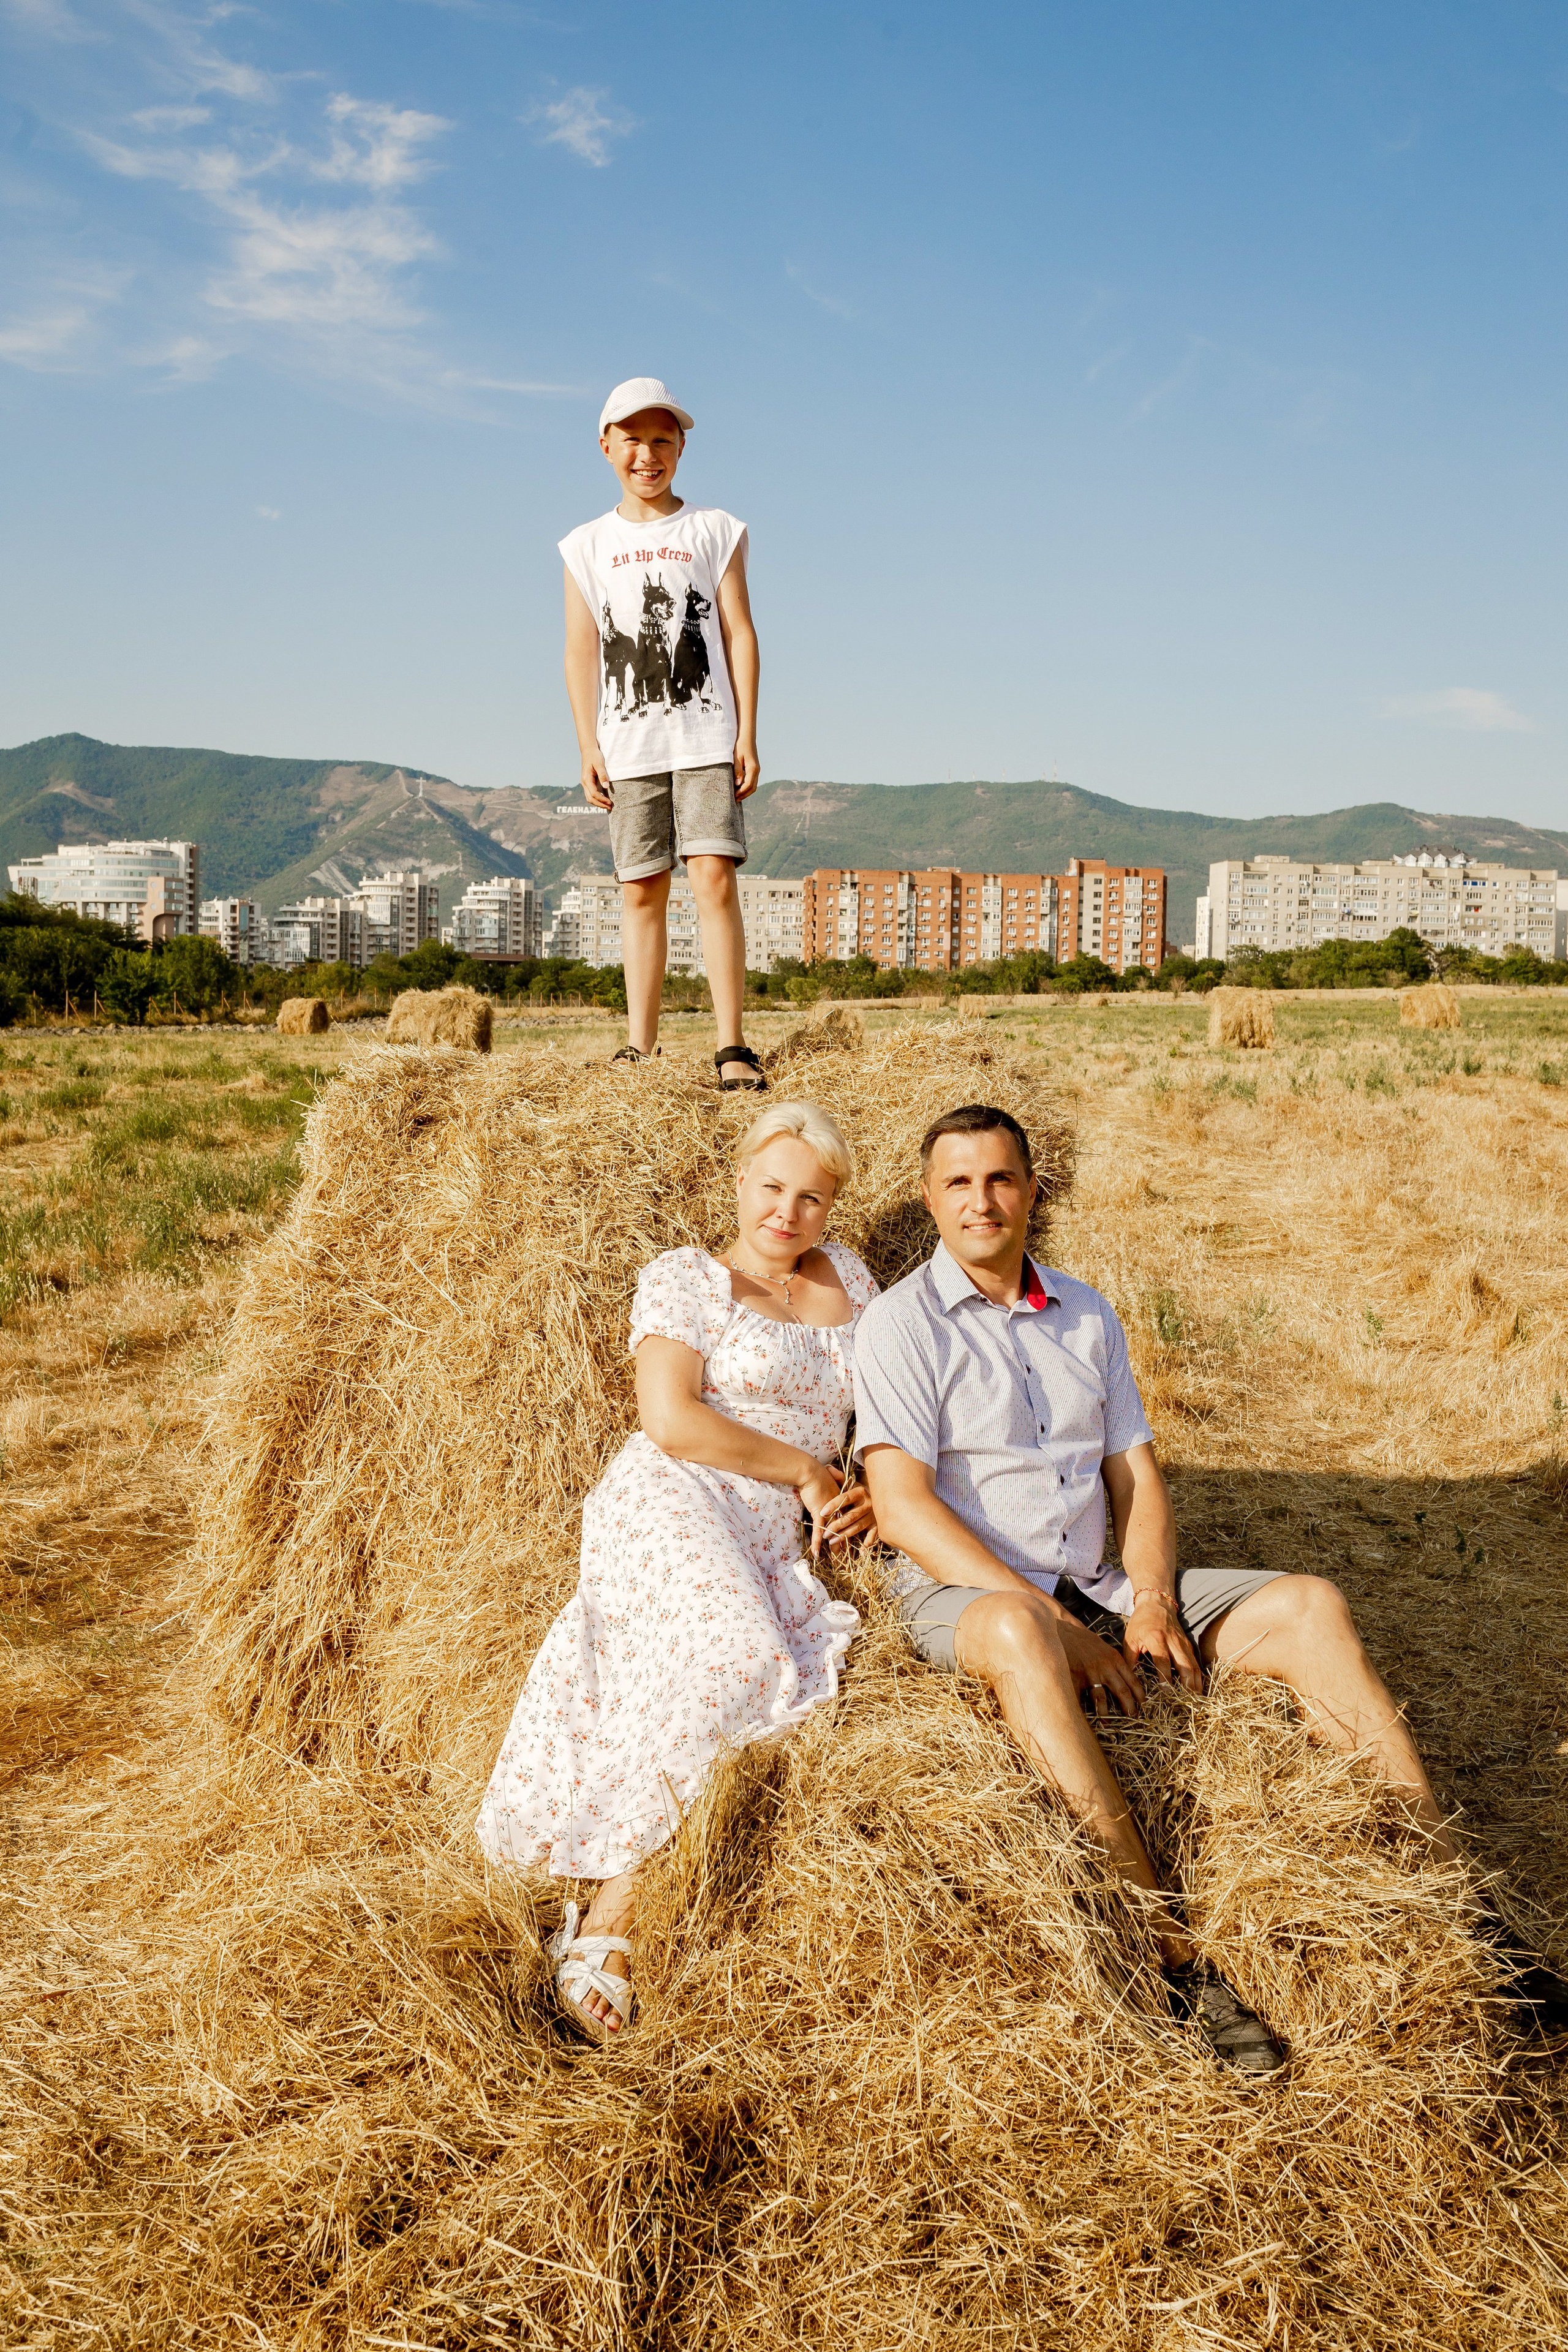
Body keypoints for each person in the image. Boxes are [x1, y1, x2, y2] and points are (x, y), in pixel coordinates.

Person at [853, 1102, 1568, 2077]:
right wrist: (1066, 1629)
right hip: (969, 1592)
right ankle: (1175, 1960)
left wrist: (1147, 1599)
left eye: (1001, 1179)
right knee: (1022, 1633)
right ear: (930, 1199)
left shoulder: (1086, 1311)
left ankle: (1463, 1913)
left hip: (1094, 1576)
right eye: (959, 1183)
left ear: (1033, 1189)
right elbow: (900, 1509)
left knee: (1309, 1604)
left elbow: (1137, 1477)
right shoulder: (899, 1324)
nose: (982, 1201)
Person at [476, 1101, 880, 2040]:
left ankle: (606, 1902)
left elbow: (893, 1400)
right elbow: (672, 1418)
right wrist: (811, 1472)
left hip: (773, 1528)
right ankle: (611, 1916)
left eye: (812, 1198)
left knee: (755, 1669)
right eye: (773, 1188)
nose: (788, 1212)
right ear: (739, 1181)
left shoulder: (854, 1280)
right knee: (740, 1660)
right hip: (677, 1494)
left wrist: (870, 1485)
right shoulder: (684, 1279)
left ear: (833, 1209)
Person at [560, 375, 766, 1093]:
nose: (647, 454)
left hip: (706, 733)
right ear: (605, 446)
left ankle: (732, 1046)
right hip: (628, 743)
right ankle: (639, 1050)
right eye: (632, 439)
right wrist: (587, 744)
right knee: (641, 888)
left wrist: (745, 729)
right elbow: (582, 648)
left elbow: (738, 629)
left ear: (680, 446)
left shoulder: (715, 529)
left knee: (713, 878)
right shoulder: (585, 544)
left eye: (661, 439)